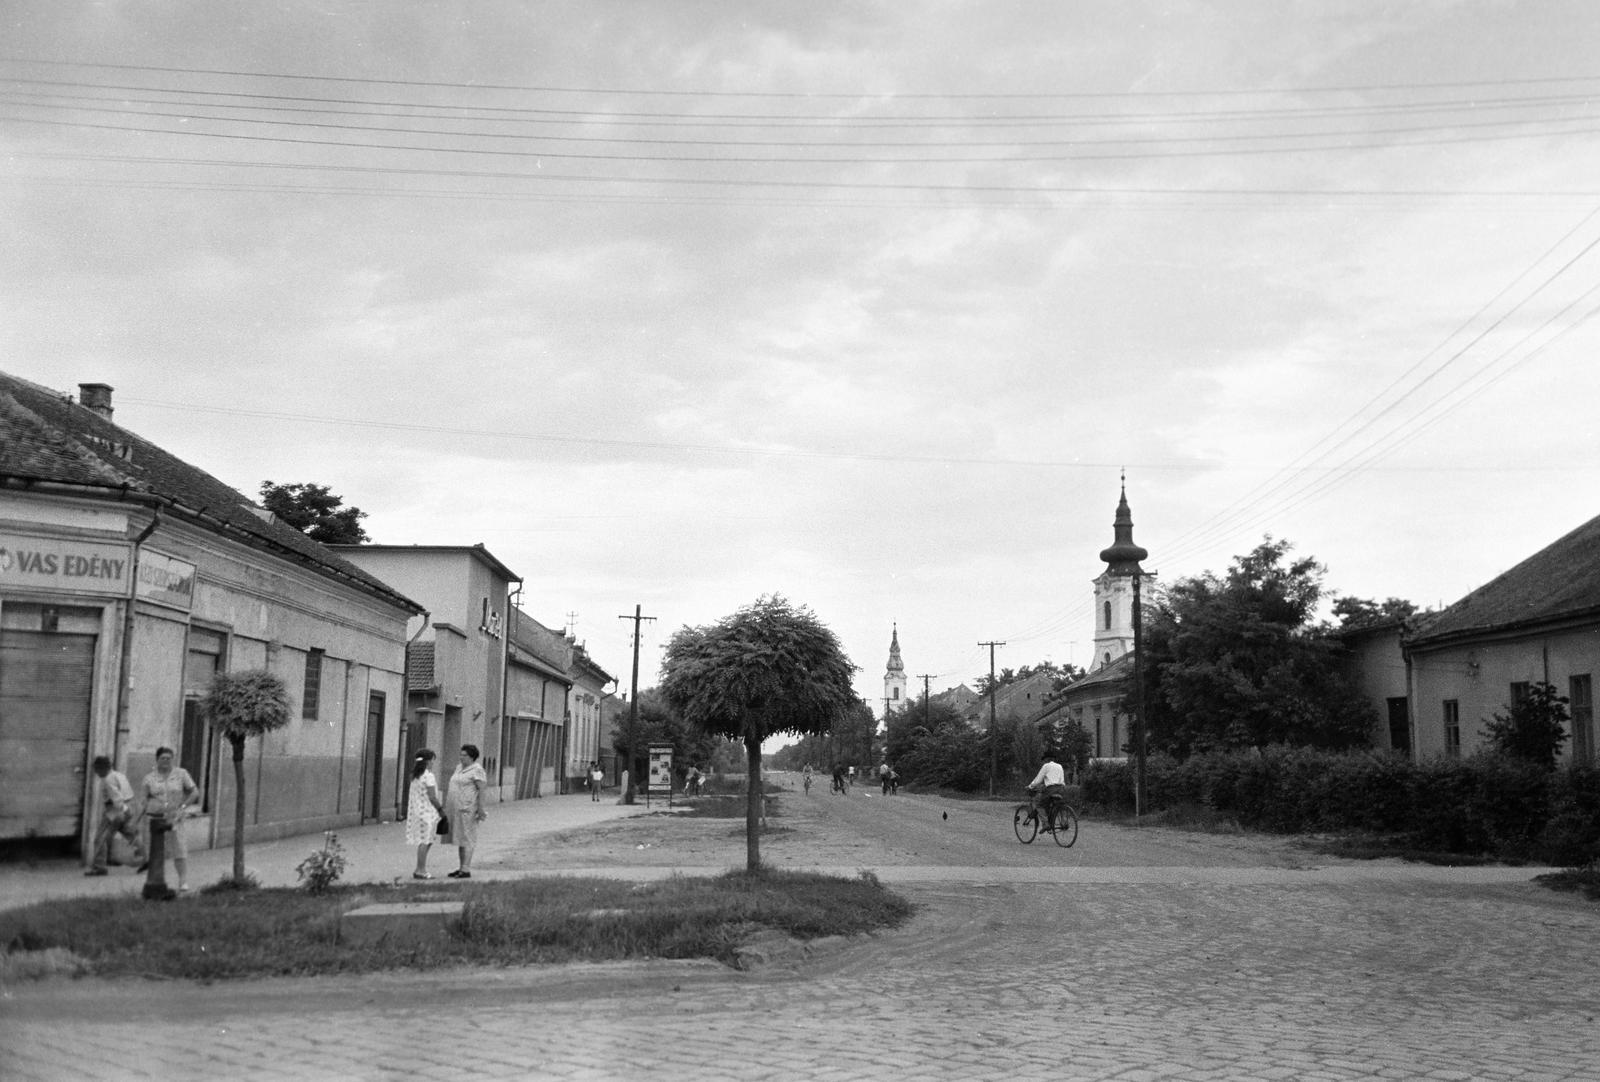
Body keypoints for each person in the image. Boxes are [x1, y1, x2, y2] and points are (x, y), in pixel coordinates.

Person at [140, 746, 199, 893]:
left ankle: (183, 881)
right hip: (156, 817)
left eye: (169, 758)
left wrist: (183, 807)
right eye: (162, 758)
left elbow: (194, 792)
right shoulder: (149, 778)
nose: (166, 761)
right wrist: (137, 818)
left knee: (179, 848)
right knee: (155, 850)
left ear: (173, 759)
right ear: (157, 760)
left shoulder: (181, 774)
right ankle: (155, 881)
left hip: (175, 817)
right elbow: (143, 800)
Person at [85, 754, 147, 876]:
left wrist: (122, 810)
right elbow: (128, 792)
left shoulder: (108, 779)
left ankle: (99, 867)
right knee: (130, 834)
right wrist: (128, 811)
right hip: (129, 806)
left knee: (100, 838)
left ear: (101, 768)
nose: (96, 773)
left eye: (96, 770)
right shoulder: (120, 775)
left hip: (115, 810)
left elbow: (116, 797)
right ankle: (145, 859)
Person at [445, 744, 488, 879]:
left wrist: (480, 809)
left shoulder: (477, 770)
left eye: (465, 756)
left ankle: (466, 868)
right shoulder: (459, 768)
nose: (461, 757)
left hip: (468, 809)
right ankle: (461, 866)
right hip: (456, 808)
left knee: (468, 838)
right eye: (461, 755)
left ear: (472, 757)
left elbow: (482, 790)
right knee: (460, 838)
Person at [404, 749, 445, 879]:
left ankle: (419, 868)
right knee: (425, 841)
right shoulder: (429, 776)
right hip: (428, 813)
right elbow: (432, 797)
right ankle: (421, 870)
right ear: (428, 761)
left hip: (417, 812)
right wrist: (441, 810)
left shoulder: (415, 776)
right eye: (433, 760)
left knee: (425, 840)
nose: (433, 763)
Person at [1026, 752, 1069, 820]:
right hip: (1061, 789)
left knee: (1039, 805)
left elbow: (1038, 780)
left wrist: (1030, 786)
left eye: (1044, 760)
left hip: (1051, 789)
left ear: (1047, 759)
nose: (1044, 761)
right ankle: (1055, 820)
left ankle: (1045, 824)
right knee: (1051, 804)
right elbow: (1061, 780)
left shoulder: (1046, 766)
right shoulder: (1060, 766)